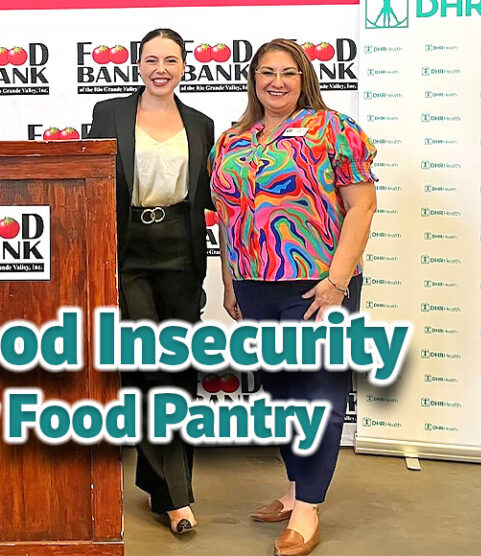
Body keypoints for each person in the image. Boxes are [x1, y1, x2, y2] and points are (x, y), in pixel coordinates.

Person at [209, 38, 377, 556]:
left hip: (319, 284)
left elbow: (362, 206)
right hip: (256, 285)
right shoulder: (233, 139)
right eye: (265, 72)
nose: (276, 82)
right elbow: (228, 219)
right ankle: (293, 487)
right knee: (281, 394)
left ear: (304, 77)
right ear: (252, 78)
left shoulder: (335, 130)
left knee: (319, 395)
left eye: (287, 72)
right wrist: (230, 281)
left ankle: (308, 508)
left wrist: (337, 281)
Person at [87, 28, 215, 535]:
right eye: (151, 59)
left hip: (182, 253)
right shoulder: (109, 114)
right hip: (127, 254)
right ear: (137, 64)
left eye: (172, 59)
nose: (161, 68)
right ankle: (175, 499)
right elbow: (92, 181)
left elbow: (212, 196)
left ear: (185, 66)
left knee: (180, 371)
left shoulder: (202, 124)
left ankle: (162, 486)